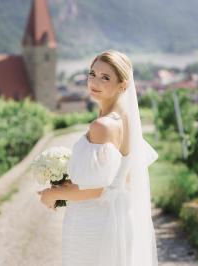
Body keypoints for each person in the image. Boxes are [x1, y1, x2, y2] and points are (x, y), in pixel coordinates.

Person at [37, 49, 159, 266]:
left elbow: (97, 189)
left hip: (95, 223)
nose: (95, 81)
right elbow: (123, 177)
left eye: (105, 77)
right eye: (92, 73)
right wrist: (72, 182)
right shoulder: (126, 120)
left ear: (123, 85)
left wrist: (52, 194)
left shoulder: (103, 126)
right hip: (118, 219)